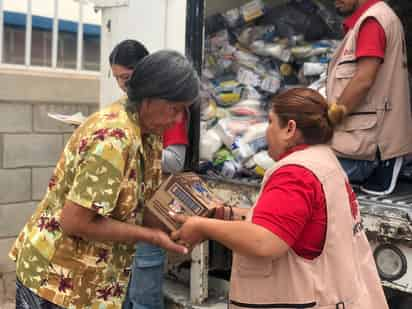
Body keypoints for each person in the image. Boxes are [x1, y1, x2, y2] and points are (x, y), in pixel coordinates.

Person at [9, 50, 199, 309]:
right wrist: (152, 236)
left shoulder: (148, 132)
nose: (178, 120)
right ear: (149, 97)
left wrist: (178, 226)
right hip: (56, 279)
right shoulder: (114, 137)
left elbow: (140, 205)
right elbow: (75, 221)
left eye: (183, 112)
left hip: (94, 281)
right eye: (175, 109)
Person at [171, 88, 389, 309]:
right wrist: (229, 216)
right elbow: (296, 223)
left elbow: (265, 241)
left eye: (271, 122)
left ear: (290, 129)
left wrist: (202, 226)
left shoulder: (295, 173)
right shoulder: (324, 160)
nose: (266, 132)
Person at [109, 40, 189, 309]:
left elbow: (176, 161)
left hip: (150, 212)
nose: (123, 85)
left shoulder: (167, 112)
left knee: (144, 295)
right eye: (117, 78)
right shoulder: (123, 120)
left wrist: (136, 151)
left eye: (127, 78)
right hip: (130, 217)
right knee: (124, 294)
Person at [326, 0, 412, 195]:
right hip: (361, 141)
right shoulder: (369, 21)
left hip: (370, 149)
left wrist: (331, 118)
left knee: (307, 171)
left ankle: (388, 160)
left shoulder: (372, 22)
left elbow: (363, 80)